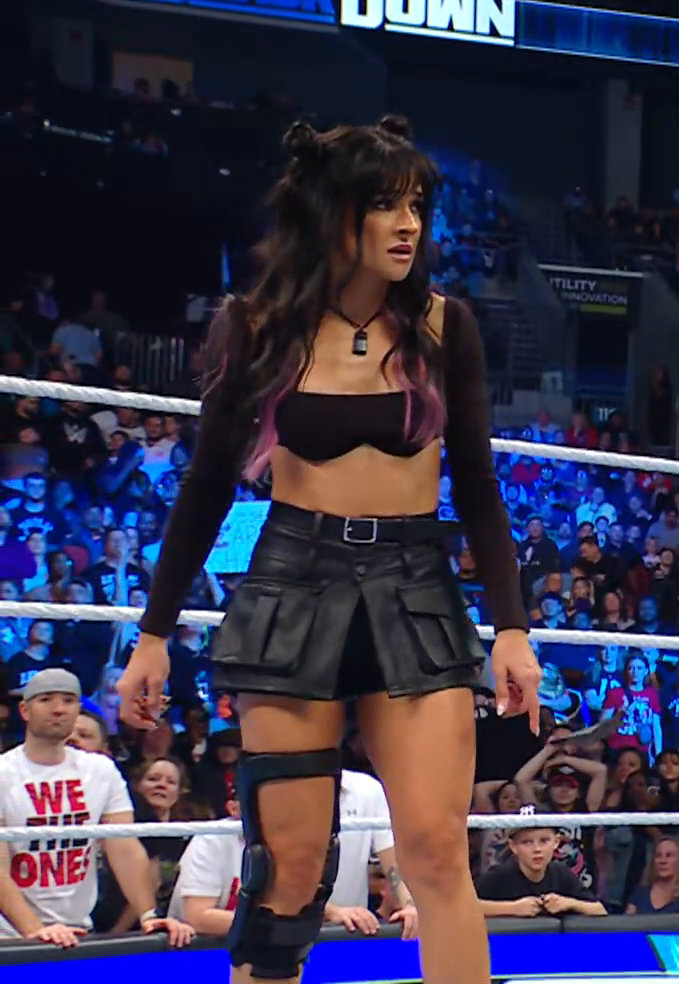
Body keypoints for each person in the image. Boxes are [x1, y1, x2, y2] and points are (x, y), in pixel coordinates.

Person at [117, 117, 543, 984]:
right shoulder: (261, 327)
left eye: (416, 205)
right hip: (293, 581)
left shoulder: (442, 326)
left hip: (414, 583)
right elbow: (205, 486)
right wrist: (153, 634)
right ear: (331, 213)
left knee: (437, 851)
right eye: (385, 204)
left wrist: (511, 627)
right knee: (287, 868)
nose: (408, 224)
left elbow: (478, 481)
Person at [0, 670, 195, 948]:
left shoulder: (100, 770)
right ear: (25, 710)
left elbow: (124, 846)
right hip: (8, 937)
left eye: (68, 700)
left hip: (77, 931)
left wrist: (148, 915)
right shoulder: (4, 773)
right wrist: (35, 932)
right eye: (46, 699)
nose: (58, 709)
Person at [170, 769, 421, 938]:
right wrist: (316, 917)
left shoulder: (365, 791)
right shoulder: (213, 840)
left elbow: (393, 856)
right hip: (221, 951)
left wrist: (412, 906)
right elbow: (199, 916)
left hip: (333, 936)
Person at [475, 807, 608, 918]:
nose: (537, 849)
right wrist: (513, 908)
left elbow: (599, 909)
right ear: (513, 846)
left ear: (556, 842)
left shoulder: (561, 873)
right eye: (527, 842)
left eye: (544, 841)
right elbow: (466, 906)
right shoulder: (501, 875)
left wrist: (568, 903)